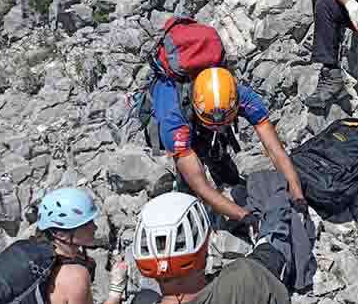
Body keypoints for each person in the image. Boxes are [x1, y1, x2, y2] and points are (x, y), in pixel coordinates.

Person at [152, 66, 306, 229]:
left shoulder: (243, 96)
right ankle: (182, 204)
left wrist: (298, 197)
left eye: (223, 124)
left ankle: (226, 177)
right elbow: (201, 185)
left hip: (203, 114)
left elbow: (276, 151)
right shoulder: (174, 122)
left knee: (218, 151)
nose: (218, 128)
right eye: (213, 125)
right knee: (189, 180)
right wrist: (243, 215)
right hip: (177, 116)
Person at [129, 192, 290, 304]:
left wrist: (115, 291)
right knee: (274, 231)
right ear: (206, 244)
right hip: (261, 270)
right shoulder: (241, 277)